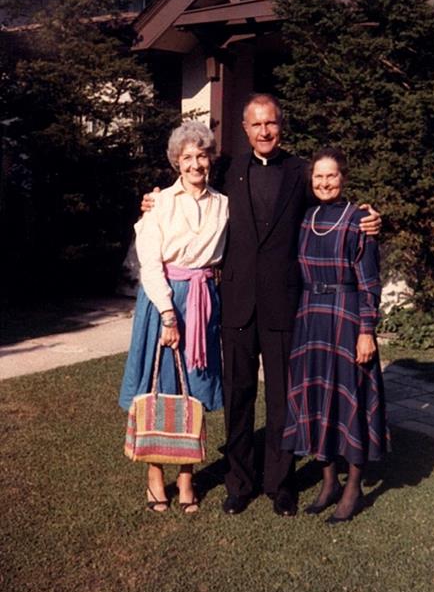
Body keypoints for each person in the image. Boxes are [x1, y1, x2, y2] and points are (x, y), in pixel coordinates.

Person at [141, 94, 381, 517]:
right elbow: (191, 186)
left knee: (282, 399)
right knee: (238, 396)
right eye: (256, 125)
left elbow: (331, 205)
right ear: (244, 129)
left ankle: (280, 484)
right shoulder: (228, 169)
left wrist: (368, 216)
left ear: (280, 126)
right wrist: (153, 199)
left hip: (285, 305)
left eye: (271, 123)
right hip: (235, 302)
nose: (264, 131)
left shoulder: (300, 171)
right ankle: (239, 482)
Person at [119, 121, 228, 513]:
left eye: (202, 155)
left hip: (202, 303)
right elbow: (150, 261)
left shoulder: (223, 203)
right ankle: (153, 478)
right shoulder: (160, 201)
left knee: (192, 393)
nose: (196, 163)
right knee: (158, 390)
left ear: (210, 159)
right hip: (162, 301)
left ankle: (186, 478)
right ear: (176, 163)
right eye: (187, 157)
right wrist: (167, 313)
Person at [282, 147, 389, 524]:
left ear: (343, 178)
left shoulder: (359, 219)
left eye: (331, 176)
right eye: (318, 177)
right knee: (316, 399)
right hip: (310, 318)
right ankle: (327, 481)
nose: (324, 183)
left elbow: (370, 282)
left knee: (350, 402)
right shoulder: (306, 218)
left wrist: (366, 331)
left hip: (345, 319)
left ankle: (353, 488)